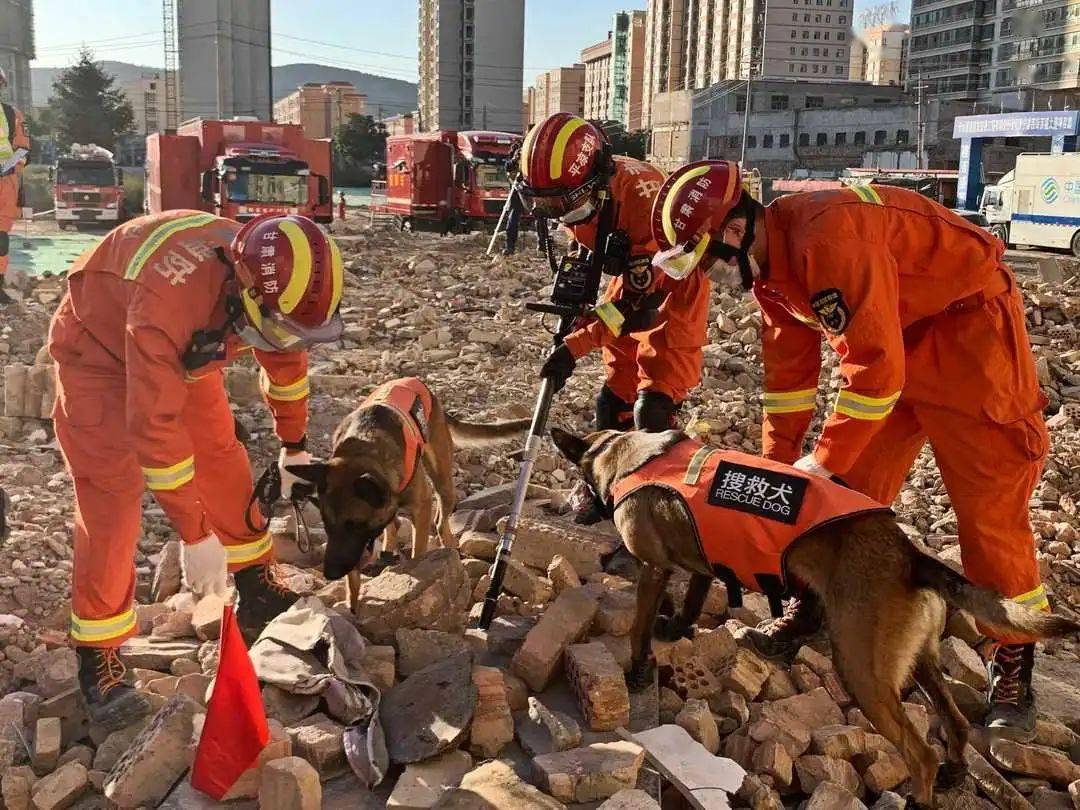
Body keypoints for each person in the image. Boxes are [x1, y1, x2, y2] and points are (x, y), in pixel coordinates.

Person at [650, 160, 1051, 740]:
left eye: (706, 259)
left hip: (969, 337)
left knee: (990, 515)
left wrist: (820, 462)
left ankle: (1014, 659)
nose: (708, 275)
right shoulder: (770, 269)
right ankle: (814, 602)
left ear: (733, 232)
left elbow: (874, 375)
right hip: (898, 334)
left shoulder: (829, 241)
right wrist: (782, 470)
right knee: (844, 497)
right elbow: (788, 377)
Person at [48, 210, 345, 732]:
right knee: (110, 498)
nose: (284, 338)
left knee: (220, 454)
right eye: (279, 327)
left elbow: (286, 364)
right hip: (97, 351)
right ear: (241, 290)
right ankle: (99, 655)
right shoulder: (171, 304)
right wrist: (193, 534)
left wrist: (294, 447)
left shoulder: (277, 292)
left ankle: (256, 585)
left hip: (184, 349)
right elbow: (154, 429)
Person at [521, 113, 711, 523]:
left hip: (671, 290)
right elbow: (590, 260)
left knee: (653, 409)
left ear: (593, 181)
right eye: (545, 203)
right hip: (629, 282)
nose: (555, 213)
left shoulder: (644, 205)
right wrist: (577, 317)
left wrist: (575, 347)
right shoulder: (582, 198)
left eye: (560, 204)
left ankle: (661, 508)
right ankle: (603, 488)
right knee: (611, 403)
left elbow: (634, 309)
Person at [0, 66, 30, 305]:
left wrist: (5, 166)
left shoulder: (11, 115)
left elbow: (23, 150)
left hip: (4, 183)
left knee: (0, 238)